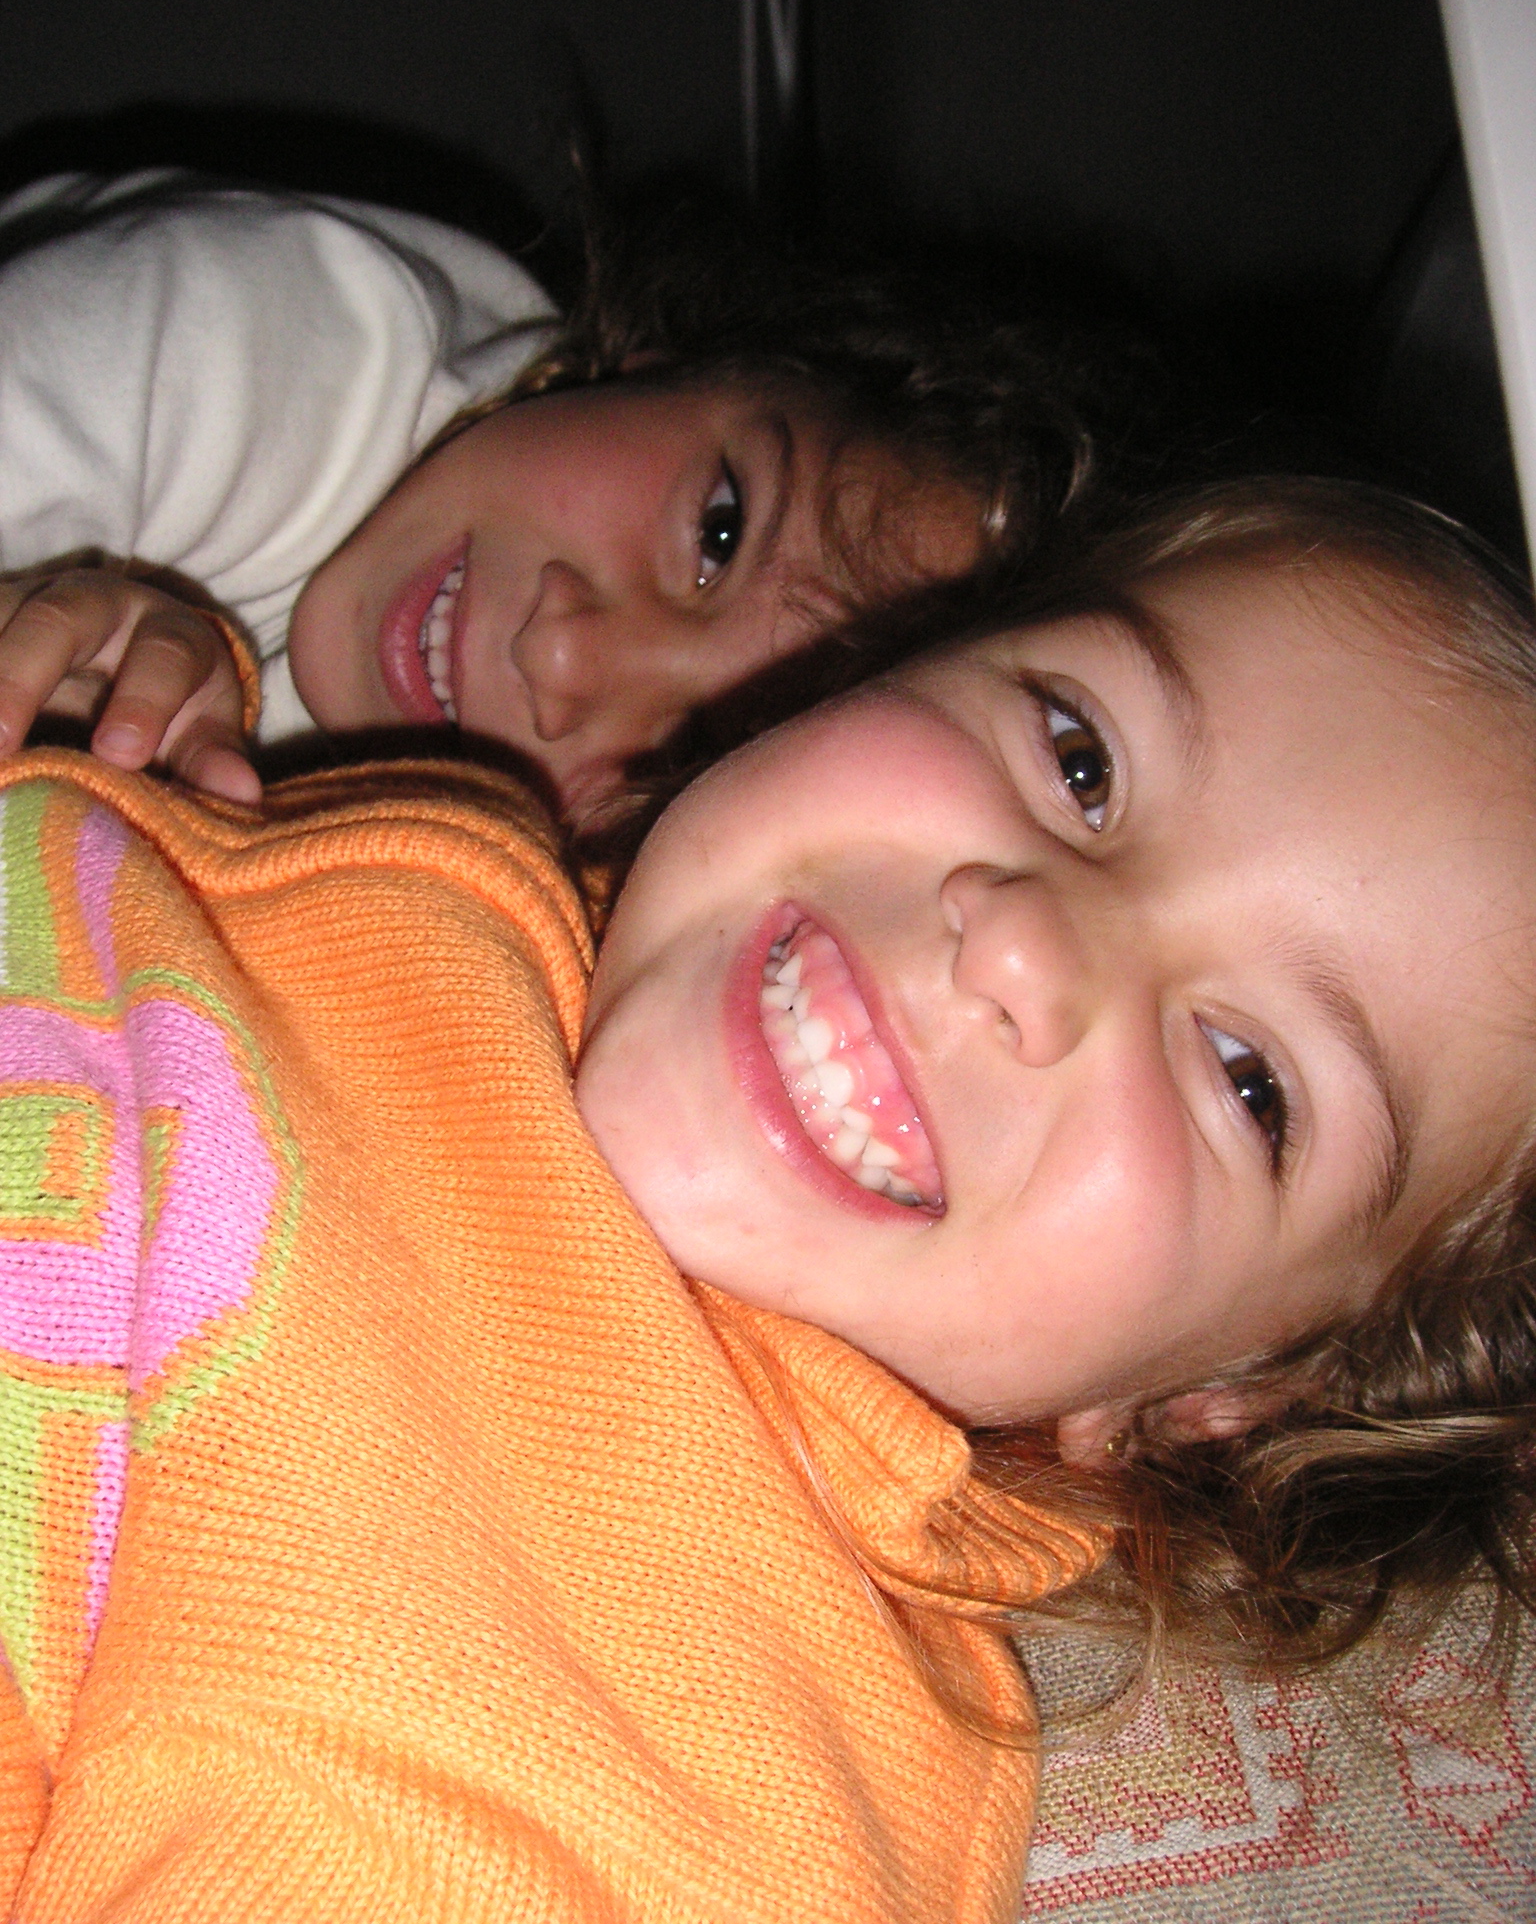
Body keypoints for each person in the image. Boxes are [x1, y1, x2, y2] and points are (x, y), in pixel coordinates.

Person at [0, 475, 1531, 1921]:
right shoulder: (436, 839)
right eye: (1079, 756)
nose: (1026, 944)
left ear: (1224, 1389)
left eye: (1249, 1081)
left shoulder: (690, 1757)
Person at [0, 170, 1092, 823]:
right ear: (681, 353)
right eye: (719, 531)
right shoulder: (292, 327)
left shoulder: (520, 883)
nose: (562, 659)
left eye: (684, 758)